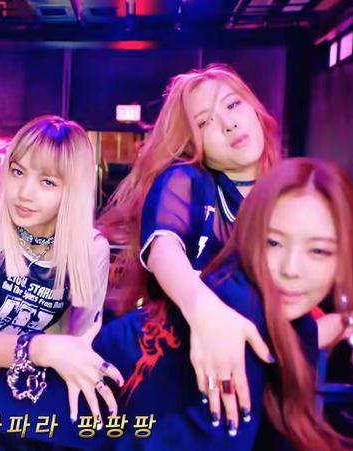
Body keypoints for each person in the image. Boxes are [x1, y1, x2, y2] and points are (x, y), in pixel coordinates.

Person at [94, 158, 353, 450]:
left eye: (318, 251)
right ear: (249, 236)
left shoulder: (294, 322)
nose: (291, 269)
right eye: (273, 243)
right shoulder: (238, 310)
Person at [98, 64, 281, 422]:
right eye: (205, 122)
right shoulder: (186, 180)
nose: (228, 124)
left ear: (255, 109)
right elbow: (164, 249)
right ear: (192, 141)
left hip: (260, 379)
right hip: (175, 379)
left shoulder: (289, 192)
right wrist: (204, 310)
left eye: (233, 105)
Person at [0, 115, 123, 432]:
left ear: (73, 191)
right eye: (18, 172)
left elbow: (80, 340)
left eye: (48, 182)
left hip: (26, 387)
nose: (24, 193)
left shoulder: (91, 248)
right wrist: (46, 348)